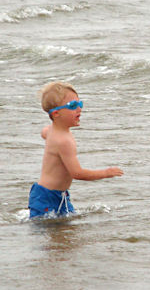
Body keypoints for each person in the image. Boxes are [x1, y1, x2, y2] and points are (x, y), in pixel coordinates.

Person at [28, 82, 123, 218]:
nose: (79, 109)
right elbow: (77, 173)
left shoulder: (52, 131)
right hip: (47, 198)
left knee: (66, 231)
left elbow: (43, 132)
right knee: (52, 232)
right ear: (56, 114)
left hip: (54, 195)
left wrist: (50, 141)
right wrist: (106, 173)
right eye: (73, 106)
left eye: (80, 104)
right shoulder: (64, 141)